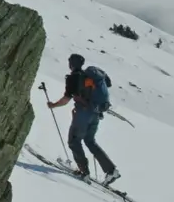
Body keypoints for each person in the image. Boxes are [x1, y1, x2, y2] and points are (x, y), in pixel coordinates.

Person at [47, 53, 120, 185]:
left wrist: (53, 105)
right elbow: (108, 84)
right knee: (90, 141)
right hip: (95, 113)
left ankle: (84, 172)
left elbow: (66, 99)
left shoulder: (73, 78)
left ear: (71, 64)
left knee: (74, 141)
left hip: (83, 115)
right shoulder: (91, 77)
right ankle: (111, 170)